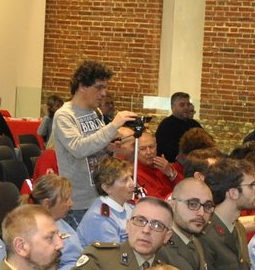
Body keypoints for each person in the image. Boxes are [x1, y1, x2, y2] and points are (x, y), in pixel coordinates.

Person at [51, 60, 137, 224]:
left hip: (100, 195)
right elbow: (78, 148)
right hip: (79, 201)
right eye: (99, 87)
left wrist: (107, 147)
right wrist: (112, 126)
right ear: (82, 86)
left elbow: (94, 143)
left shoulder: (95, 111)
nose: (104, 93)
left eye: (105, 87)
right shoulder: (64, 115)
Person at [28, 173, 83, 270]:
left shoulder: (60, 221)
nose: (71, 204)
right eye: (66, 199)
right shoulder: (37, 232)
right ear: (47, 204)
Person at [77, 156, 133, 246]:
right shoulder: (99, 219)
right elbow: (111, 257)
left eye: (131, 177)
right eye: (125, 180)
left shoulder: (129, 207)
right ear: (106, 187)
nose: (132, 183)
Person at [153, 91, 203, 161]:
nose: (186, 107)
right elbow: (170, 152)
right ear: (173, 107)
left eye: (188, 104)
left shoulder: (194, 124)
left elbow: (205, 142)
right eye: (182, 105)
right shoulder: (166, 125)